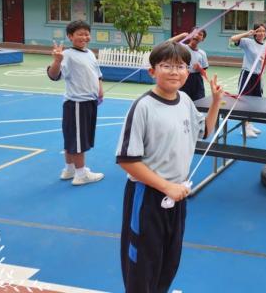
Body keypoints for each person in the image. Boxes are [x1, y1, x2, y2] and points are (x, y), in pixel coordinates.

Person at [116, 41, 223, 293]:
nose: (175, 72)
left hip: (176, 196)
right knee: (142, 263)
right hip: (148, 197)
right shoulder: (143, 107)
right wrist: (166, 187)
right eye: (167, 66)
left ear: (188, 71)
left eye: (181, 66)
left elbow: (204, 131)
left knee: (169, 259)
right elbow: (127, 160)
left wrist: (216, 101)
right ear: (152, 71)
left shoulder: (185, 100)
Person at [47, 20, 104, 186]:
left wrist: (100, 90)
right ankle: (81, 174)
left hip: (89, 102)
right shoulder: (67, 55)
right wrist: (57, 61)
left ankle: (70, 169)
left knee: (72, 137)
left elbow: (97, 74)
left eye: (87, 33)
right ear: (70, 36)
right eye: (80, 34)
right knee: (78, 140)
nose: (84, 37)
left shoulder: (90, 53)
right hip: (77, 103)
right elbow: (53, 75)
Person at [230, 23, 266, 138]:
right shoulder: (248, 42)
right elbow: (233, 39)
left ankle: (249, 124)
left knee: (255, 101)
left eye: (263, 31)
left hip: (258, 76)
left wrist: (263, 59)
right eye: (259, 31)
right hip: (247, 74)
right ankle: (244, 127)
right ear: (254, 32)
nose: (261, 33)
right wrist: (247, 33)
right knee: (245, 100)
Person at [170, 29, 209, 102]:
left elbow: (204, 73)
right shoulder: (181, 47)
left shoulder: (202, 53)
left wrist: (200, 69)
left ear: (203, 39)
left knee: (198, 102)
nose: (197, 35)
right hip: (183, 78)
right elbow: (167, 44)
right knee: (181, 101)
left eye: (200, 34)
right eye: (195, 33)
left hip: (197, 81)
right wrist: (183, 35)